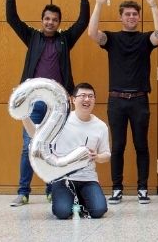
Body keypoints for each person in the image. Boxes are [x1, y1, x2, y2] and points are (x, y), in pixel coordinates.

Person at [6, 0, 89, 207]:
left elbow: (82, 23)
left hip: (58, 107)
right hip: (33, 104)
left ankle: (52, 190)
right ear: (42, 20)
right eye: (47, 19)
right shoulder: (32, 38)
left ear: (59, 23)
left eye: (54, 19)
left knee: (53, 147)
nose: (50, 22)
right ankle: (23, 192)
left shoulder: (65, 40)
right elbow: (13, 19)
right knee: (28, 147)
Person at [87, 0, 158, 204]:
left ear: (139, 17)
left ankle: (142, 189)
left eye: (134, 14)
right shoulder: (112, 39)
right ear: (121, 17)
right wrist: (100, 3)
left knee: (141, 145)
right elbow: (92, 33)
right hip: (116, 100)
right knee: (118, 146)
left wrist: (152, 4)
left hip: (140, 99)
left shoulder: (144, 40)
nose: (131, 17)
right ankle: (117, 188)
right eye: (127, 14)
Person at [20, 83, 110, 219]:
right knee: (62, 213)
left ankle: (79, 198)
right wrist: (24, 115)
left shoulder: (101, 126)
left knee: (99, 211)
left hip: (88, 178)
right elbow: (35, 134)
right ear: (73, 99)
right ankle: (69, 199)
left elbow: (107, 155)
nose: (87, 99)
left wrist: (96, 156)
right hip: (63, 178)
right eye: (83, 96)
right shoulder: (60, 120)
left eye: (91, 96)